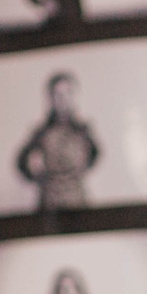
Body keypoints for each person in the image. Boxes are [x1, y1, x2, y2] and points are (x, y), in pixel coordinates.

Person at [16, 73, 99, 211]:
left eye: (68, 93)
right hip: (49, 205)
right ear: (51, 98)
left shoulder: (83, 131)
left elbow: (95, 155)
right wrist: (34, 169)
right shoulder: (41, 133)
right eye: (58, 94)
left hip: (77, 202)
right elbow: (22, 162)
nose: (63, 99)